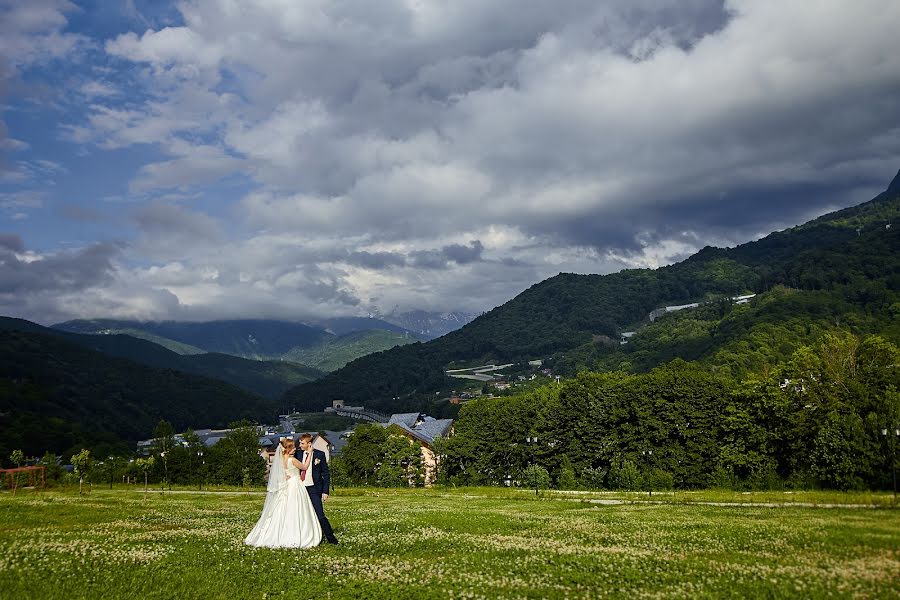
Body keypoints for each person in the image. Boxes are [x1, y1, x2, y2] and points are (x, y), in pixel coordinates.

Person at [244, 438, 322, 548]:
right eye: (293, 447)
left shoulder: (281, 460)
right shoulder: (292, 460)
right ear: (288, 449)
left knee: (283, 508)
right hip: (295, 484)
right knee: (296, 508)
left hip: (287, 485)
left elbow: (281, 474)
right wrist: (310, 454)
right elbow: (304, 467)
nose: (295, 449)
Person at [295, 433, 338, 544]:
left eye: (302, 443)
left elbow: (326, 474)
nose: (300, 445)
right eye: (300, 443)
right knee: (302, 515)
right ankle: (307, 538)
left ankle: (331, 539)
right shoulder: (297, 454)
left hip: (314, 489)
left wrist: (325, 491)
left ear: (309, 443)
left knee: (320, 514)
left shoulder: (320, 454)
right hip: (300, 489)